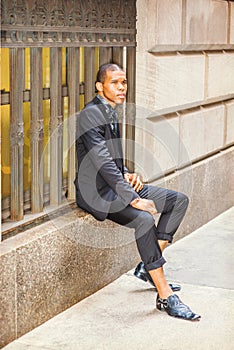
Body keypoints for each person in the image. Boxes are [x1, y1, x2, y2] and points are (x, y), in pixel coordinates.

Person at [75, 63, 201, 321]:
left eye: (124, 82)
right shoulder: (91, 114)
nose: (122, 87)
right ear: (100, 86)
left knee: (178, 201)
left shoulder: (110, 111)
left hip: (114, 184)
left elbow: (112, 161)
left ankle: (147, 267)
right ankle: (165, 295)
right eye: (115, 83)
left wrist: (127, 173)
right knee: (144, 220)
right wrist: (133, 198)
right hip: (96, 194)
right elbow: (101, 161)